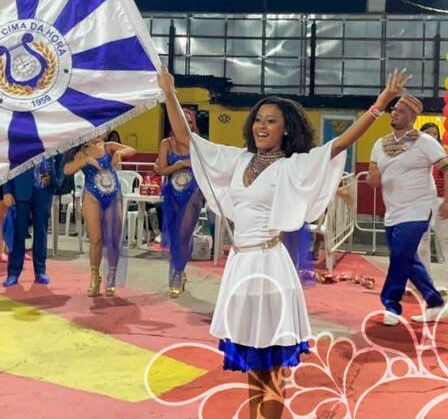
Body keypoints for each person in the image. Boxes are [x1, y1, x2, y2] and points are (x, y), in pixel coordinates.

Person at [160, 66, 410, 419]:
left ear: (286, 127)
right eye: (258, 120)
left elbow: (340, 144)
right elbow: (187, 140)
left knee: (273, 366)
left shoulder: (293, 166)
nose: (262, 126)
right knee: (252, 365)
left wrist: (381, 103)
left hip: (270, 269)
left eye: (271, 121)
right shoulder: (238, 160)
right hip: (239, 270)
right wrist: (169, 92)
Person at [366, 97, 448, 327]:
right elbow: (374, 178)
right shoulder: (379, 144)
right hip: (392, 212)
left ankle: (391, 305)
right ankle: (434, 302)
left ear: (412, 116)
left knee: (400, 256)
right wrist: (373, 178)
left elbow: (445, 168)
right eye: (393, 110)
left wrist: (447, 200)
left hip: (418, 209)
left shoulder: (425, 142)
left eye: (401, 111)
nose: (394, 114)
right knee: (408, 259)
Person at [63, 135, 135, 296]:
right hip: (92, 195)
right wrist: (82, 162)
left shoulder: (108, 146)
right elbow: (66, 170)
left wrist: (119, 153)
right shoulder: (81, 151)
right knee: (95, 239)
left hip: (113, 194)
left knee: (113, 238)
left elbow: (132, 150)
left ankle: (112, 275)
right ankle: (95, 277)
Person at [157, 124, 204, 298]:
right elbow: (162, 170)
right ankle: (178, 268)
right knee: (175, 235)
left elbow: (205, 169)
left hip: (193, 193)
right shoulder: (166, 144)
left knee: (184, 233)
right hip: (172, 193)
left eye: (191, 122)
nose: (186, 124)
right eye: (183, 119)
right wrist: (181, 164)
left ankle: (177, 272)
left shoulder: (198, 143)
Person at [2, 156, 63, 286]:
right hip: (21, 188)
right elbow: (8, 161)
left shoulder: (49, 136)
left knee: (41, 232)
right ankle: (13, 272)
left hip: (44, 190)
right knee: (19, 232)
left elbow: (60, 156)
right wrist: (7, 191)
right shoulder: (18, 136)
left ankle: (40, 270)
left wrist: (57, 180)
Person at [416, 122, 448, 266]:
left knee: (446, 240)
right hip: (423, 201)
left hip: (441, 201)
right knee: (423, 239)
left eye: (435, 133)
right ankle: (424, 282)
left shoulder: (443, 155)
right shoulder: (417, 155)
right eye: (428, 133)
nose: (432, 136)